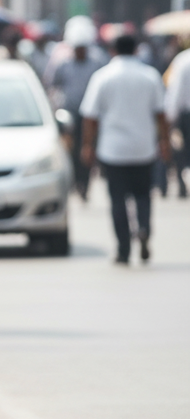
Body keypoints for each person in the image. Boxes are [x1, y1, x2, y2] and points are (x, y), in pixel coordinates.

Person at [80, 34, 169, 265]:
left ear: (113, 50)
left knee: (118, 200)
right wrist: (165, 142)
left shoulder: (103, 77)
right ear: (136, 50)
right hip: (143, 148)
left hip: (113, 150)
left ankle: (123, 249)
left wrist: (88, 145)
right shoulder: (149, 76)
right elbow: (161, 114)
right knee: (143, 196)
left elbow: (90, 117)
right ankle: (144, 229)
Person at [48, 16, 106, 200]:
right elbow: (52, 85)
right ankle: (74, 182)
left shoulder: (97, 63)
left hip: (89, 114)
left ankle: (85, 184)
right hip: (69, 115)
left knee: (87, 149)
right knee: (71, 151)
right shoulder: (63, 64)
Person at [164, 41, 190, 199]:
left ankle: (183, 182)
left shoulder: (183, 60)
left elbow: (176, 91)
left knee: (184, 152)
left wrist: (170, 118)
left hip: (186, 115)